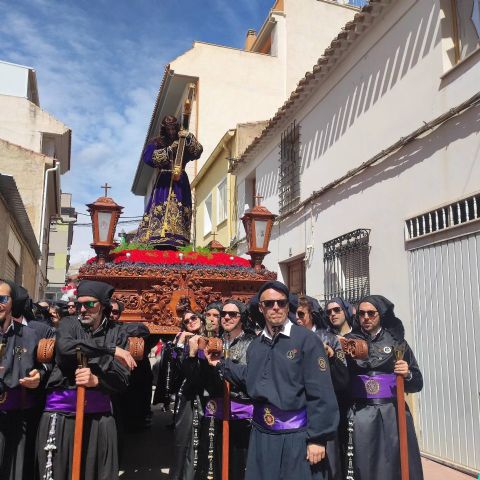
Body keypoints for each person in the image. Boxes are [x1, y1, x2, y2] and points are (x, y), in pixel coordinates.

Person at [207, 281, 339, 480]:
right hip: (261, 435)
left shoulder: (306, 340)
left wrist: (318, 439)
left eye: (281, 302)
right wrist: (220, 364)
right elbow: (248, 378)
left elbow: (322, 392)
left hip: (297, 437)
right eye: (269, 303)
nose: (275, 307)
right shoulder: (256, 346)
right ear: (261, 308)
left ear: (288, 306)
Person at [36, 280, 136, 480]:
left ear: (103, 306)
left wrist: (96, 381)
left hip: (100, 419)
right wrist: (110, 350)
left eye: (90, 304)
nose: (82, 309)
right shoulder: (68, 324)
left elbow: (121, 380)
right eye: (79, 303)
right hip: (61, 415)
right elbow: (65, 349)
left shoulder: (117, 332)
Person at [345, 295, 423, 480]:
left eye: (371, 313)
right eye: (361, 313)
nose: (366, 317)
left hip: (392, 413)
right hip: (360, 412)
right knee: (363, 464)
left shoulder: (397, 341)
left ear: (380, 314)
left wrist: (407, 374)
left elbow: (417, 383)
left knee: (394, 463)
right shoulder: (348, 342)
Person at [0, 279, 52, 480]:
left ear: (12, 302)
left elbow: (49, 365)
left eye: (3, 298)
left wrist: (40, 375)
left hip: (18, 418)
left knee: (16, 471)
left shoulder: (30, 335)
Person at [133, 115, 203, 249]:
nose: (171, 131)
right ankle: (158, 236)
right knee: (162, 206)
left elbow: (198, 152)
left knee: (180, 208)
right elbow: (148, 158)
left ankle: (178, 236)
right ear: (164, 128)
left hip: (180, 181)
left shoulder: (183, 139)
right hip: (164, 181)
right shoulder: (157, 142)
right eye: (168, 128)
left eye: (173, 127)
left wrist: (189, 137)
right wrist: (169, 150)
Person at [169, 310, 206, 480]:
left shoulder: (210, 338)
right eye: (186, 321)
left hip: (207, 394)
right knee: (183, 440)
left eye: (193, 318)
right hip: (187, 396)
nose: (190, 322)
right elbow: (175, 367)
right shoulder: (182, 341)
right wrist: (178, 346)